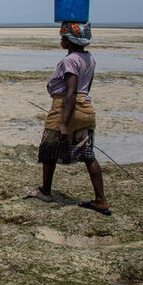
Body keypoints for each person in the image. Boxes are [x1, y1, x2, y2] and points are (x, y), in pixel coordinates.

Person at [27, 22, 109, 214]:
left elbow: (71, 92)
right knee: (88, 155)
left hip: (66, 106)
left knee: (48, 150)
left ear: (71, 40)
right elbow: (85, 88)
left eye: (64, 37)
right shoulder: (89, 58)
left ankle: (45, 191)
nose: (61, 40)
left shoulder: (70, 60)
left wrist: (64, 123)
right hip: (85, 107)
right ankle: (101, 200)